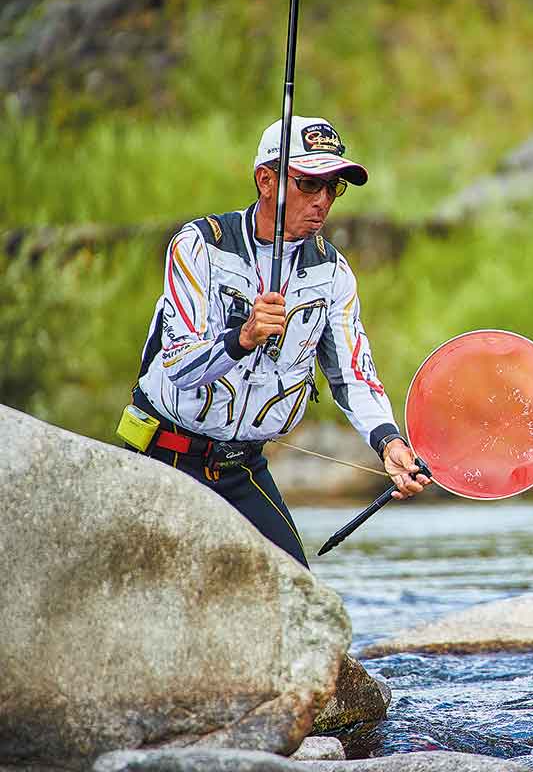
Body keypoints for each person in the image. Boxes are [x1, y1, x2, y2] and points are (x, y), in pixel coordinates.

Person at [124, 116, 428, 567]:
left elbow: (353, 375)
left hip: (242, 467)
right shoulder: (199, 246)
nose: (323, 201)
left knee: (294, 599)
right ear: (266, 180)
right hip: (163, 453)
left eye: (334, 187)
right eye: (309, 184)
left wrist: (389, 444)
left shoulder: (334, 273)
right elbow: (177, 367)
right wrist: (242, 338)